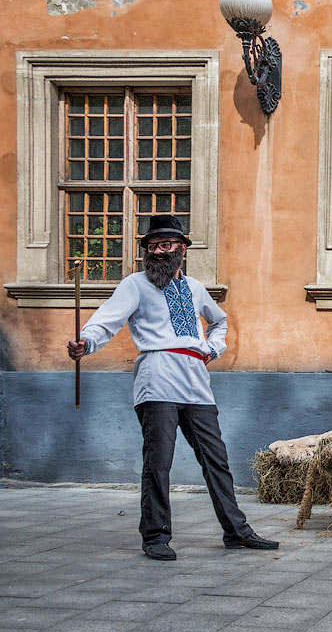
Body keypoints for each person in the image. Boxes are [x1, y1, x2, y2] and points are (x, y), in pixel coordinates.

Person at [66, 214, 278, 561]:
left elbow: (219, 321)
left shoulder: (194, 288)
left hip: (196, 378)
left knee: (216, 460)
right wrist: (85, 343)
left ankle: (236, 531)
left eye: (166, 245)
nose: (159, 252)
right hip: (157, 374)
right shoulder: (135, 284)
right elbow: (107, 319)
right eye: (152, 246)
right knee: (158, 462)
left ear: (181, 250)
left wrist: (213, 347)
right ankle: (155, 536)